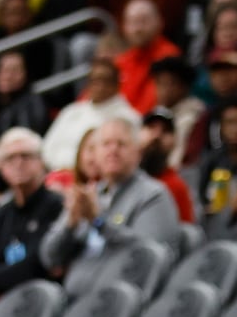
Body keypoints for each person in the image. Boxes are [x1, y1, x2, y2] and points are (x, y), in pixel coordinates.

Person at [40, 117, 181, 298]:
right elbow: (50, 258)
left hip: (123, 305)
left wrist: (99, 223)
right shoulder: (89, 196)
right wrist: (70, 224)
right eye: (106, 144)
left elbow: (151, 257)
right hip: (74, 303)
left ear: (138, 152)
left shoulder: (153, 194)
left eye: (121, 144)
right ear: (96, 154)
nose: (113, 150)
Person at [0, 128, 64, 297]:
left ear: (41, 161)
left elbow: (37, 267)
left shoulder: (57, 205)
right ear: (2, 168)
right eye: (10, 158)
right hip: (7, 303)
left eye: (26, 156)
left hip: (47, 299)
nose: (18, 163)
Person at [40, 59, 141, 171]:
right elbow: (46, 150)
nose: (99, 85)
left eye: (105, 80)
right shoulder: (72, 111)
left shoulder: (127, 118)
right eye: (94, 80)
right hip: (57, 175)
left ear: (116, 84)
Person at [141, 108, 196, 223]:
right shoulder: (120, 176)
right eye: (151, 128)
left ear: (174, 142)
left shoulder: (177, 187)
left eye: (165, 131)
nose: (157, 135)